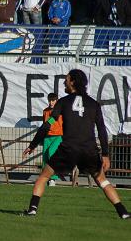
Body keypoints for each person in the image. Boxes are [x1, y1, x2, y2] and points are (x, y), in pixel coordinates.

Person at [22, 69, 130, 219]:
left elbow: (48, 125)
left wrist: (33, 145)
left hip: (68, 149)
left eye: (66, 79)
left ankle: (32, 209)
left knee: (44, 176)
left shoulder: (63, 102)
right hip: (89, 150)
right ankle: (123, 212)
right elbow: (101, 130)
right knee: (102, 181)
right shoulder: (94, 104)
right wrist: (105, 154)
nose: (64, 82)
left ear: (72, 81)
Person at [42, 93, 63, 187]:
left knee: (52, 154)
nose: (51, 102)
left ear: (56, 101)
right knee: (45, 157)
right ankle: (46, 177)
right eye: (49, 100)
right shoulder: (45, 111)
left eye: (53, 100)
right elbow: (44, 124)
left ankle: (53, 178)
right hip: (47, 137)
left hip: (57, 136)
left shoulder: (60, 111)